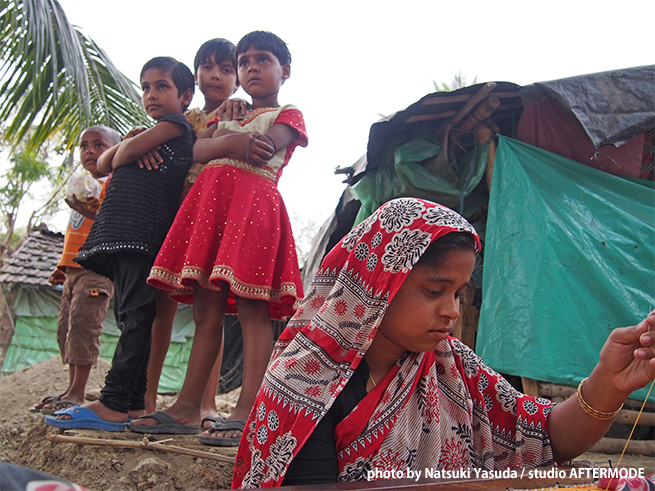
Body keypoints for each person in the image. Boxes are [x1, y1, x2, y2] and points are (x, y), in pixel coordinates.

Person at [231, 197, 655, 488]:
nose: (452, 310)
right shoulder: (305, 383)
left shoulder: (451, 365)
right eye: (434, 291)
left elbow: (544, 438)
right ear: (379, 285)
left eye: (458, 293)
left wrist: (609, 381)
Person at [129, 31, 307, 443]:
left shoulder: (290, 113)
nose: (251, 68)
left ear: (286, 71)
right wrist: (234, 139)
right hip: (211, 209)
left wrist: (231, 141)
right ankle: (189, 407)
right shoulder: (227, 115)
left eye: (263, 60)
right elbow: (197, 151)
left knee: (252, 310)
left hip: (252, 212)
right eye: (244, 61)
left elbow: (263, 147)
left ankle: (247, 410)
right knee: (207, 311)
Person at [45, 56, 196, 431]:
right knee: (133, 315)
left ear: (185, 96)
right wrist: (123, 148)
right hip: (128, 235)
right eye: (145, 87)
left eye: (162, 86)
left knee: (136, 317)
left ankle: (113, 402)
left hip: (140, 234)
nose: (151, 94)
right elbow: (106, 162)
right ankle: (129, 403)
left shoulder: (175, 126)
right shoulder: (154, 131)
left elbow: (114, 160)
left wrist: (125, 148)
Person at [143, 39, 245, 433]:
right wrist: (139, 143)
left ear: (236, 80)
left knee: (211, 313)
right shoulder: (185, 118)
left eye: (225, 68)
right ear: (196, 75)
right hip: (175, 220)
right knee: (161, 310)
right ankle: (147, 398)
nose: (215, 75)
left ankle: (205, 404)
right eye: (207, 66)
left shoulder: (242, 113)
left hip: (217, 223)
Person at [30, 125, 119, 415]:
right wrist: (62, 266)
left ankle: (78, 392)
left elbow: (106, 223)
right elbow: (74, 235)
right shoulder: (82, 185)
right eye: (84, 146)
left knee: (84, 327)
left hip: (96, 270)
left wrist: (87, 210)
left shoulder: (112, 184)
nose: (90, 151)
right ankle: (70, 390)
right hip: (73, 271)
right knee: (67, 330)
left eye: (98, 145)